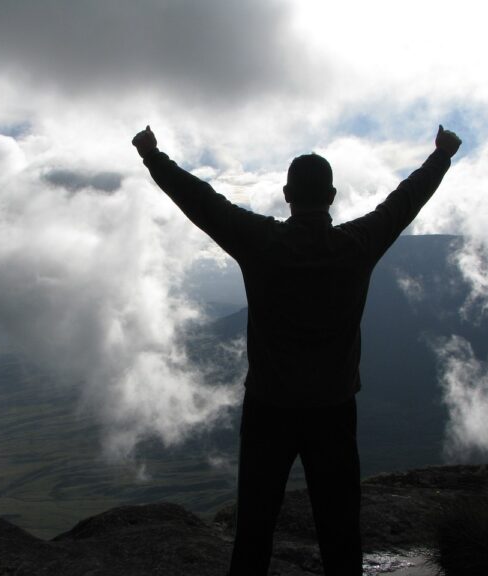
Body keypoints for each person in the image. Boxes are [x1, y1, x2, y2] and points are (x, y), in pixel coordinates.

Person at [133, 124, 461, 575]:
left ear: (287, 195)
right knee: (339, 528)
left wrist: (152, 155)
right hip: (333, 409)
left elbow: (201, 201)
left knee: (254, 526)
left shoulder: (260, 241)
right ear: (332, 196)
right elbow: (403, 202)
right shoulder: (357, 244)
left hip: (268, 407)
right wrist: (441, 155)